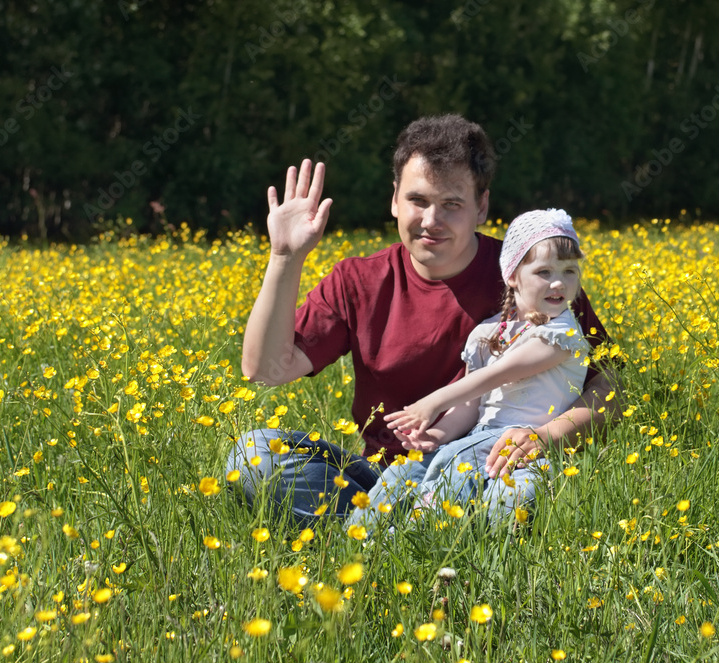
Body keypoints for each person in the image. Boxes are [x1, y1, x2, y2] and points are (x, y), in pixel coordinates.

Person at [231, 114, 619, 527]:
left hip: (490, 469)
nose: (431, 221)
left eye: (451, 204)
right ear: (395, 199)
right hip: (386, 474)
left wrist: (544, 439)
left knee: (513, 500)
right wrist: (285, 258)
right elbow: (264, 371)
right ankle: (397, 529)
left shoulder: (533, 275)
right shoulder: (358, 280)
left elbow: (610, 386)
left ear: (481, 206)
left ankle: (382, 535)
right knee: (253, 456)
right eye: (418, 200)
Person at [347, 209, 591, 527]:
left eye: (569, 271)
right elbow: (470, 406)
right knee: (404, 470)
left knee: (455, 464)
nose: (559, 282)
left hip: (525, 444)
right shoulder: (488, 333)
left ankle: (419, 537)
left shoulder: (563, 332)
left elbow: (502, 373)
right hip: (476, 437)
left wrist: (433, 402)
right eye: (544, 272)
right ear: (513, 275)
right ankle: (355, 539)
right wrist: (434, 434)